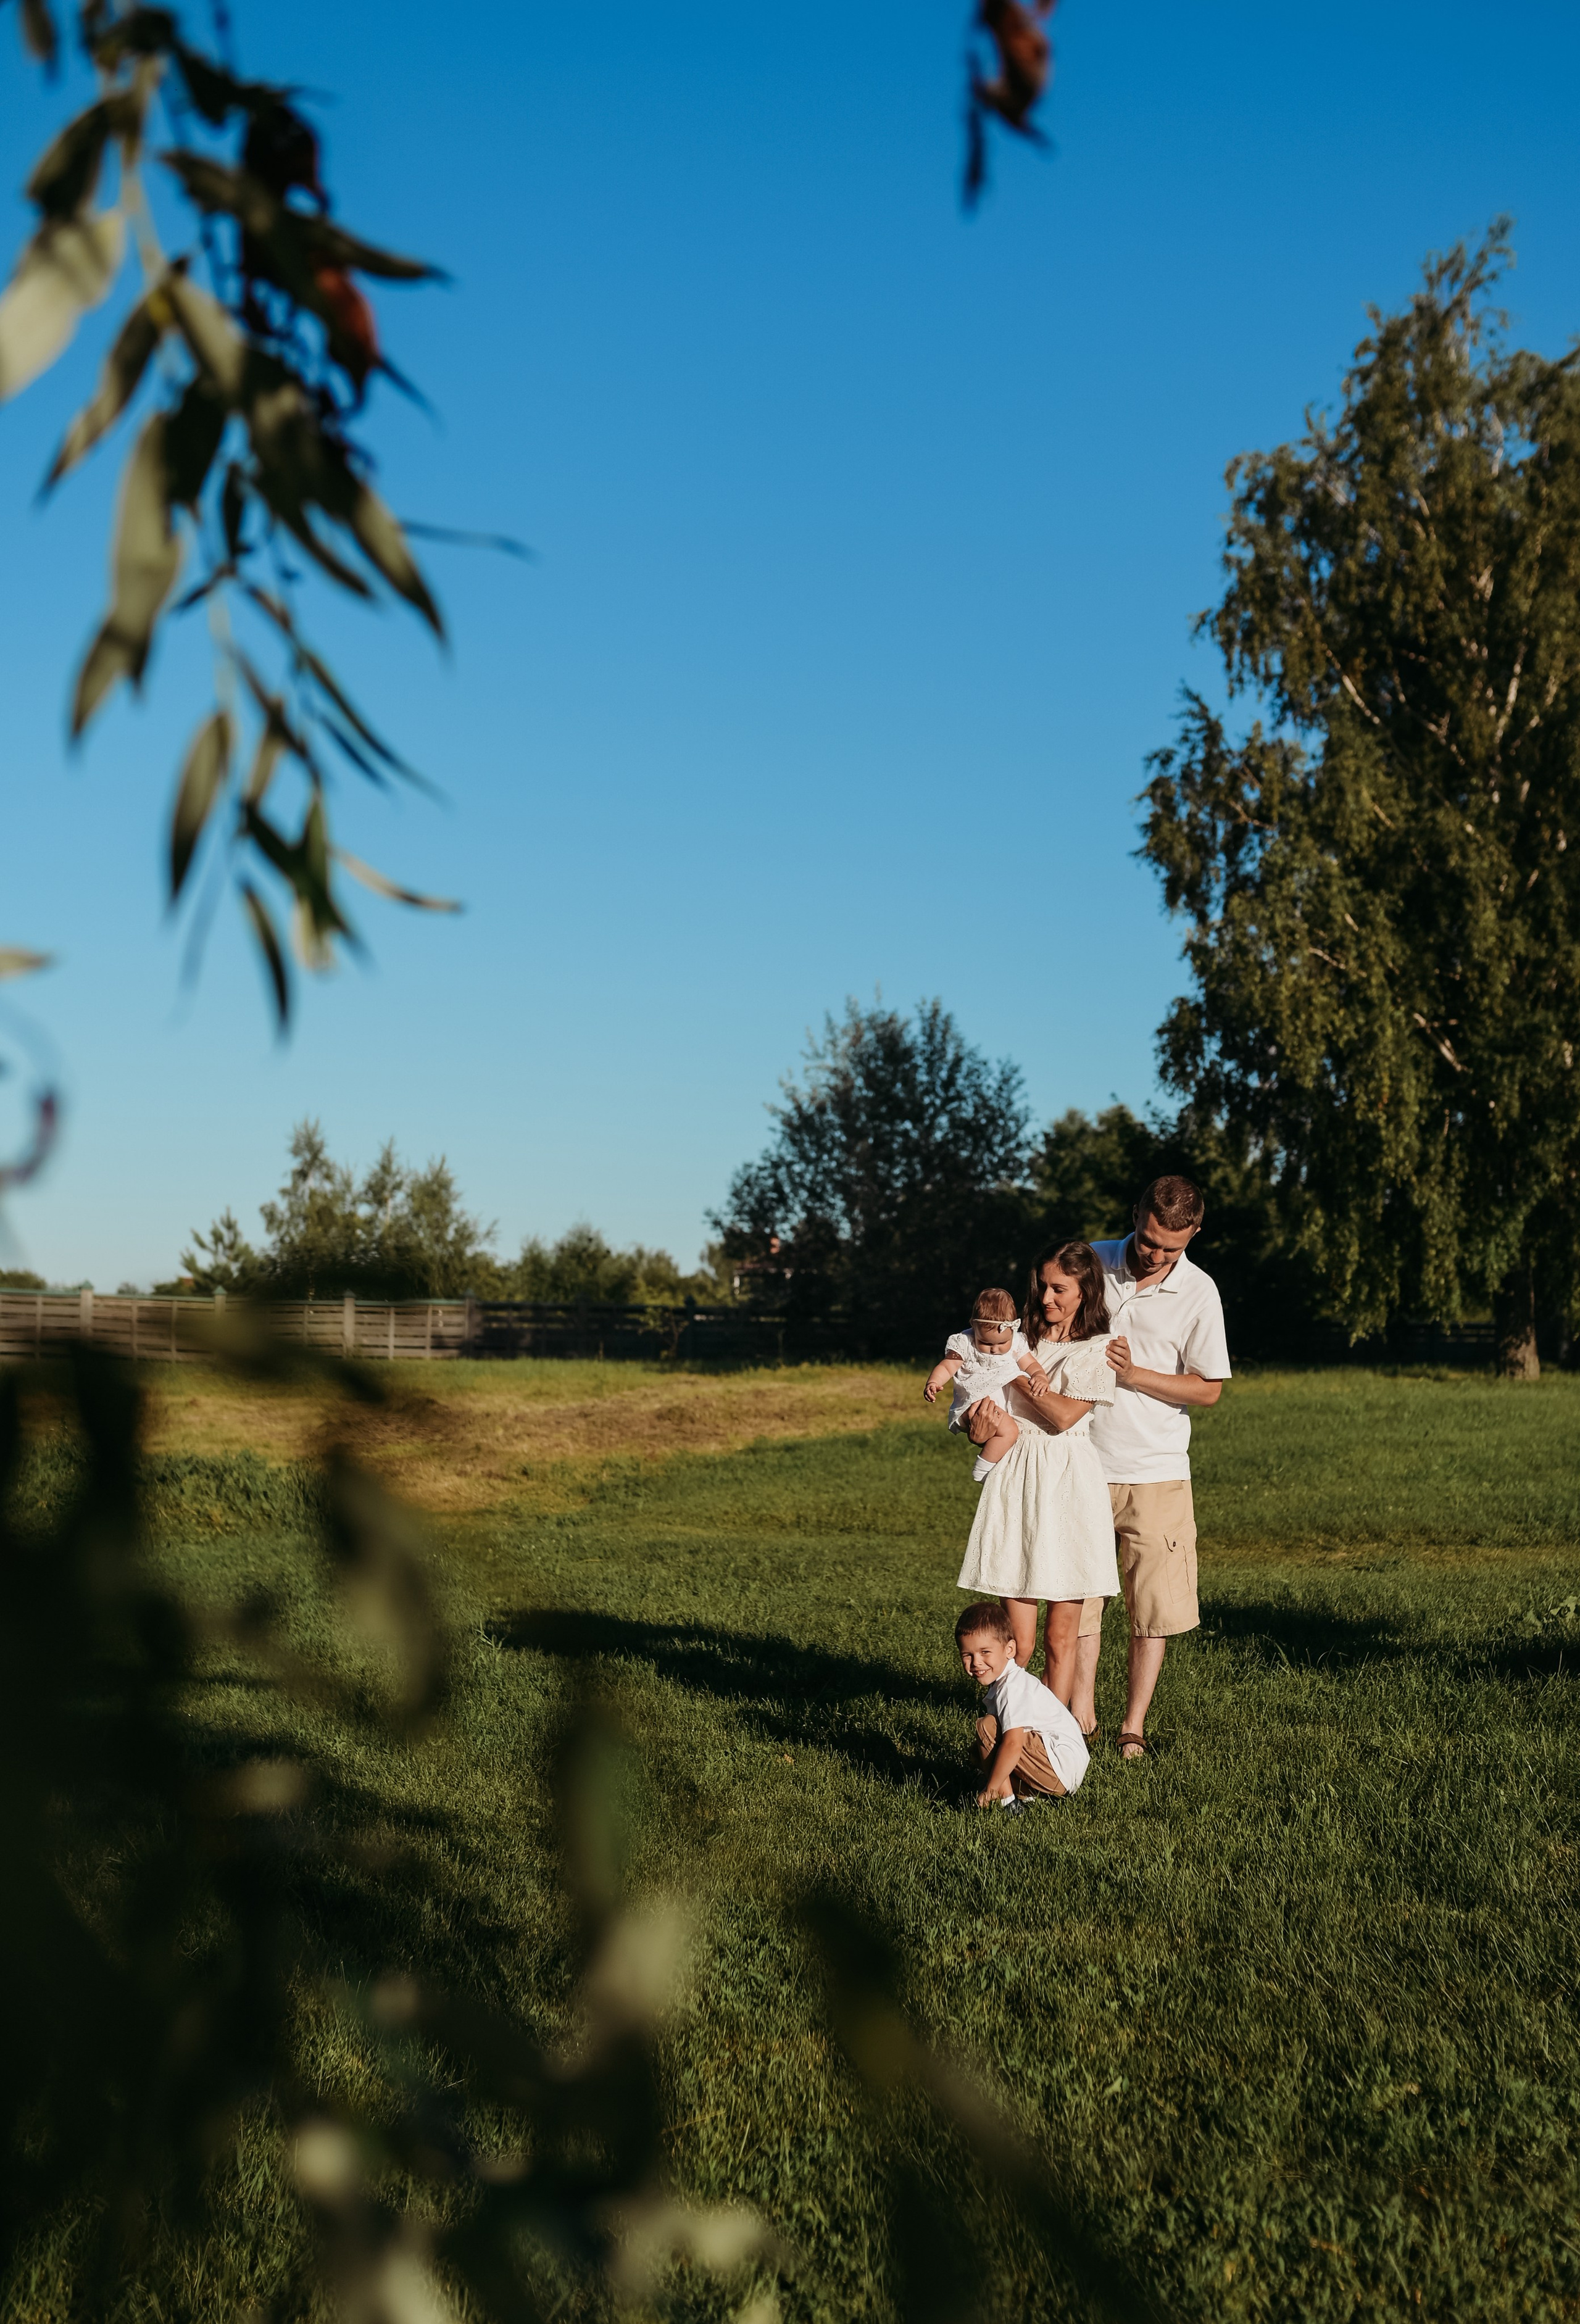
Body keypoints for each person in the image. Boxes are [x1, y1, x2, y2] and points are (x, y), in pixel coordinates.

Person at [1071, 1175, 1232, 1761]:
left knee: (1153, 1607)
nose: (1154, 1254)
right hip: (1080, 1459)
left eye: (1170, 1246)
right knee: (1079, 1596)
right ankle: (1079, 1713)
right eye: (1147, 1239)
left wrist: (1135, 1374)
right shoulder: (1089, 1262)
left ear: (1194, 1233)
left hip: (1158, 1469)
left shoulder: (1200, 1291)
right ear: (1136, 1215)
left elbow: (1209, 1389)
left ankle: (1132, 1726)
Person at [957, 1242, 1121, 1708]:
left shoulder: (1099, 1348)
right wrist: (976, 1425)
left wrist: (1010, 1373)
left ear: (1085, 1293)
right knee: (1021, 1644)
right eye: (1043, 1287)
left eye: (1060, 1289)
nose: (1047, 1298)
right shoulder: (1017, 1339)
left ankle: (1055, 1739)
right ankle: (1010, 1727)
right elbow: (974, 1395)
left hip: (1070, 1483)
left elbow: (1066, 1416)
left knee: (1060, 1639)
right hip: (1019, 1477)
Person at [956, 1598, 1090, 1810]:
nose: (976, 1663)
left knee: (987, 1729)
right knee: (979, 1751)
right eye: (968, 1655)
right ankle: (1026, 1794)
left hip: (1060, 1771)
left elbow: (1013, 1744)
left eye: (985, 1652)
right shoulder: (1005, 1682)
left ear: (1010, 1650)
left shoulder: (1012, 1687)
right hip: (1062, 1771)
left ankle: (1008, 1803)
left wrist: (991, 1789)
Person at [923, 1285, 1047, 1480]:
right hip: (973, 1403)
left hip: (998, 1407)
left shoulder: (1017, 1342)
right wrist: (934, 1382)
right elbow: (948, 1366)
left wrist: (1039, 1376)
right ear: (974, 1326)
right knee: (1010, 1431)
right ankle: (982, 1471)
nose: (994, 1349)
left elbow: (1030, 1364)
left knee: (1012, 1434)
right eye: (987, 1344)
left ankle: (998, 1470)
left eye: (1001, 1344)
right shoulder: (965, 1342)